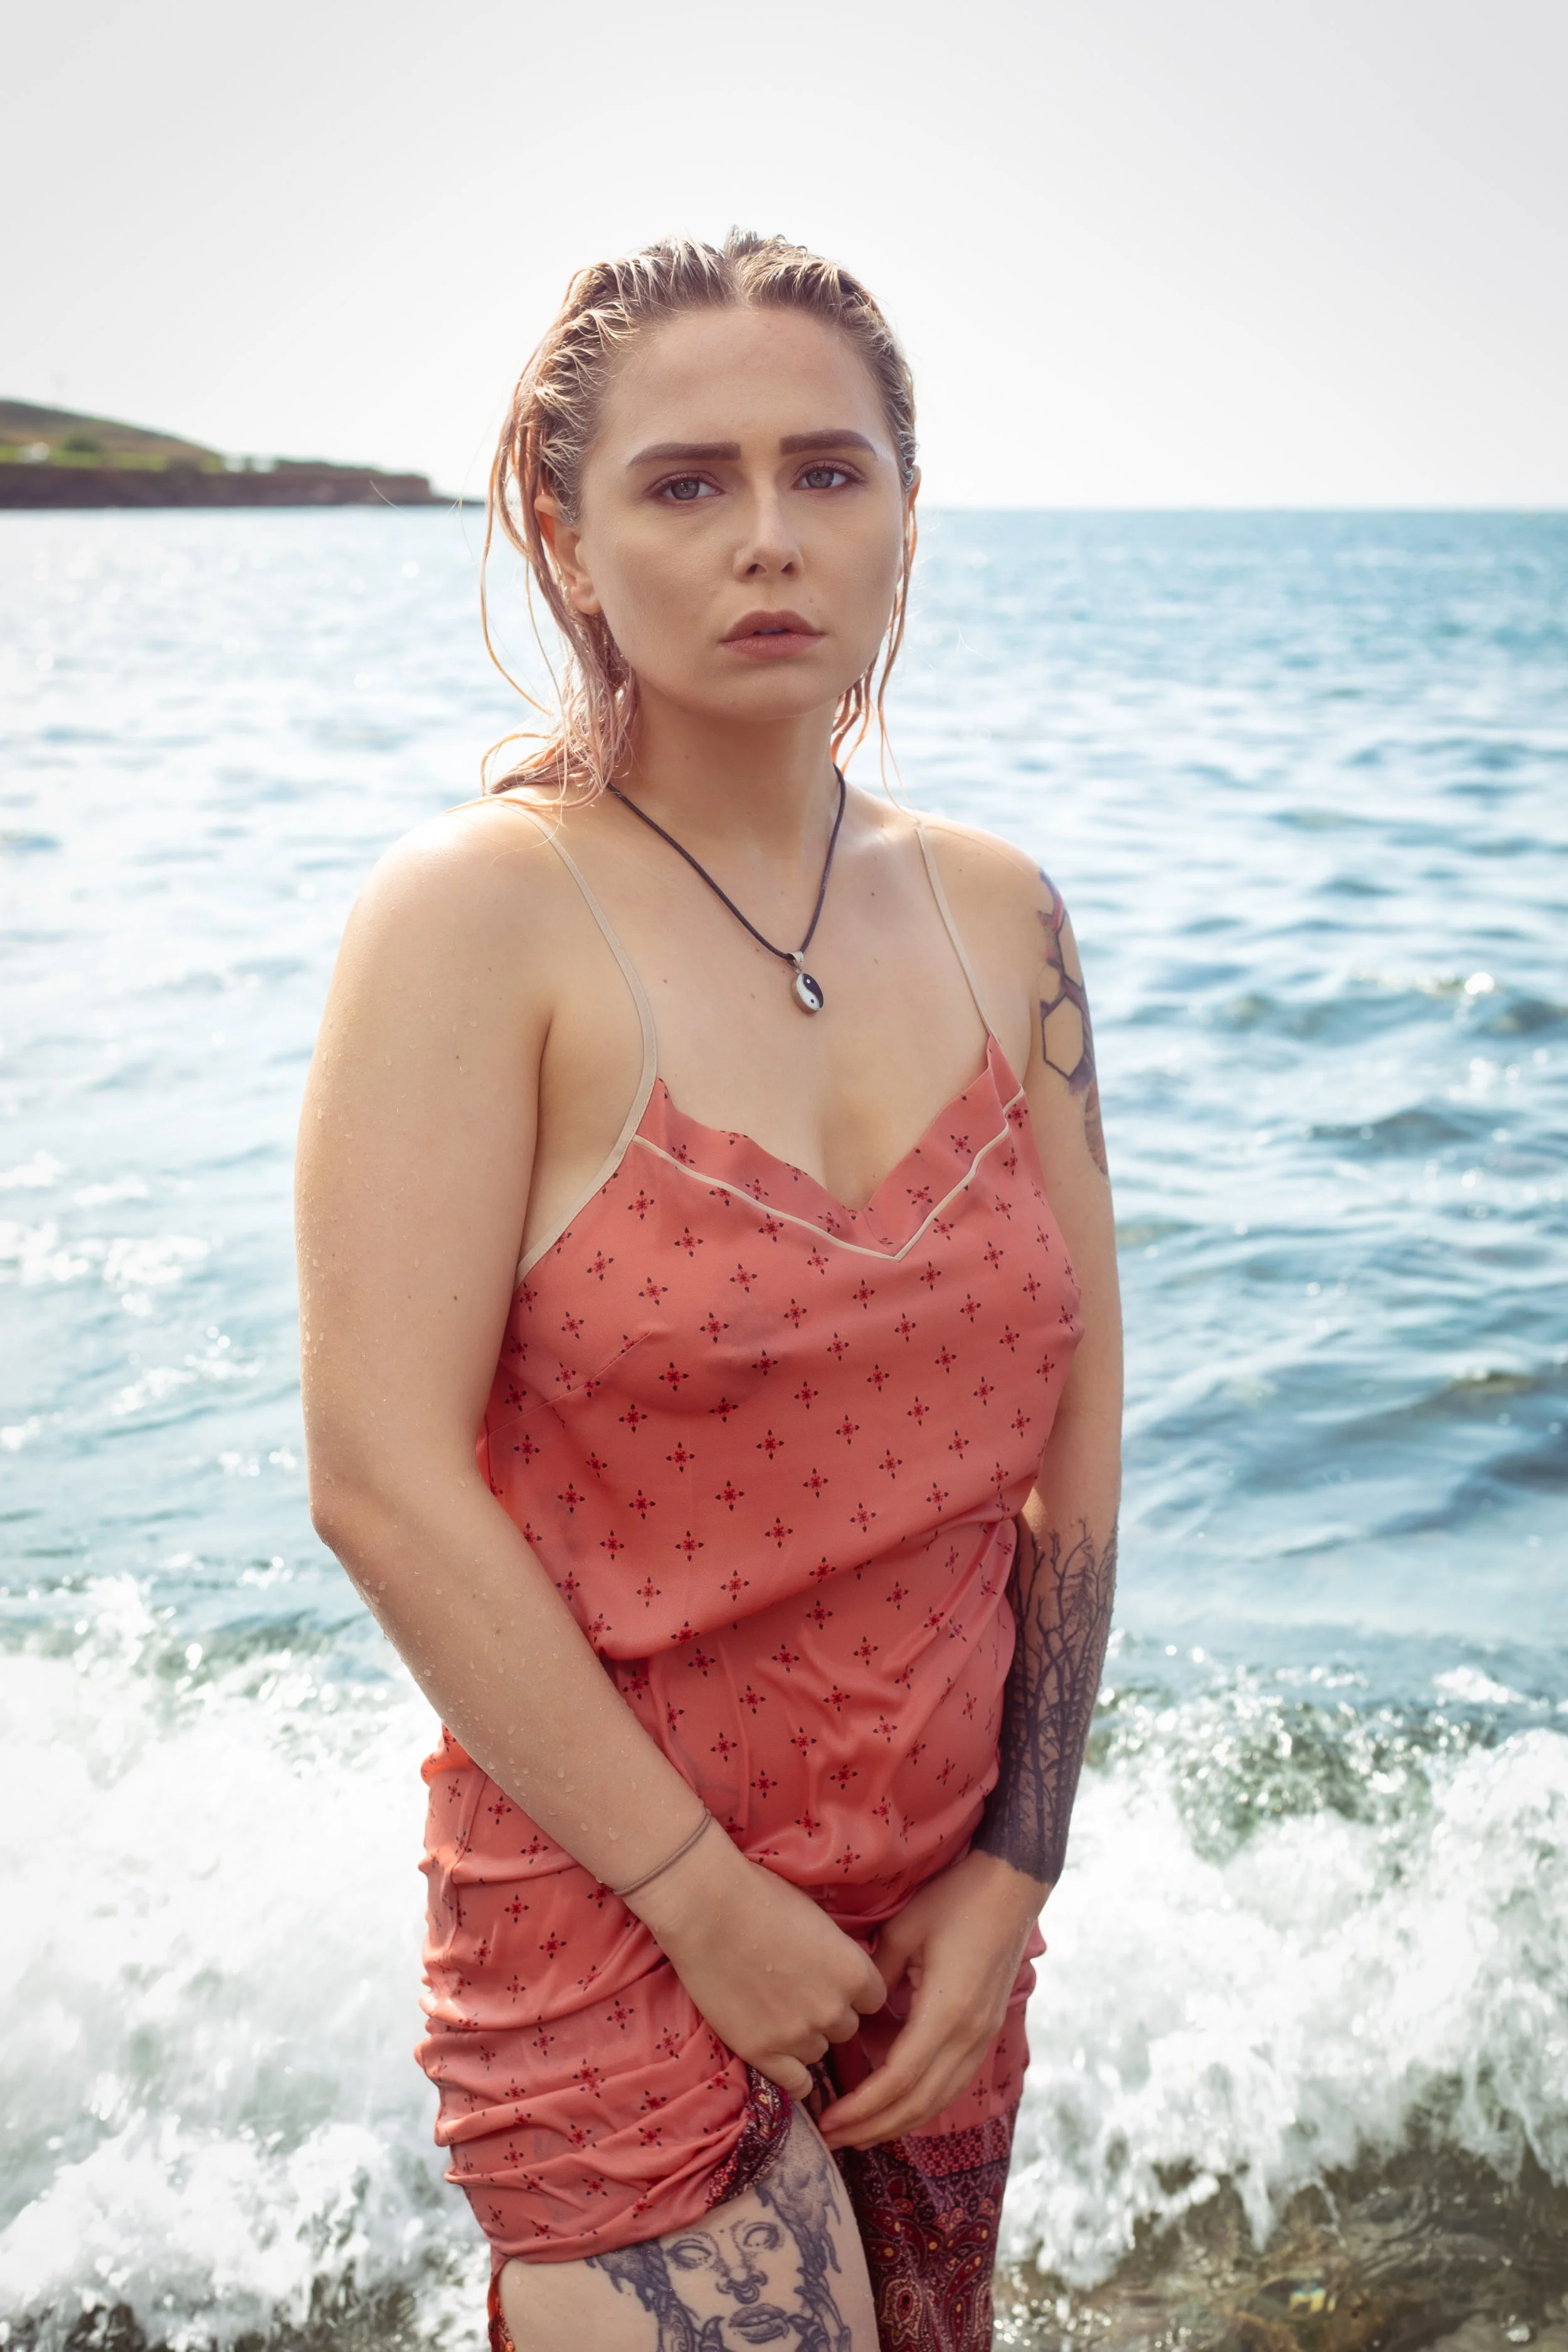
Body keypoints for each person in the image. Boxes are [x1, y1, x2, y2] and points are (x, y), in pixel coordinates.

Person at [296, 230, 1121, 2352]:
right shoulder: (479, 915)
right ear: (564, 535)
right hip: (611, 1903)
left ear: (905, 511)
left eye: (827, 472)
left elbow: (1075, 1439)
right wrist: (695, 1895)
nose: (770, 536)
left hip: (934, 1911)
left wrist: (1016, 1863)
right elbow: (380, 1476)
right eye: (686, 483)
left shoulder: (1002, 913)